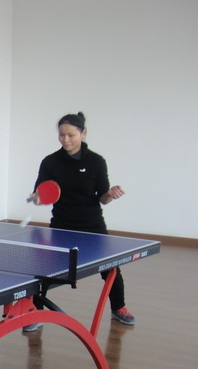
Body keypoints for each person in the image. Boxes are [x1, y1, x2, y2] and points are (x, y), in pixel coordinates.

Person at [25, 111, 135, 332]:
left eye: (71, 135)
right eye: (61, 135)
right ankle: (35, 311)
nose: (65, 140)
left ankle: (119, 307)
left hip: (91, 224)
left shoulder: (96, 162)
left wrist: (110, 194)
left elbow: (102, 198)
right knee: (45, 269)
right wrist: (36, 198)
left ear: (83, 133)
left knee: (111, 269)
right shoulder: (50, 162)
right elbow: (40, 193)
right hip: (62, 223)